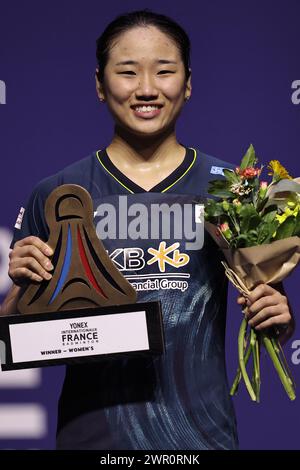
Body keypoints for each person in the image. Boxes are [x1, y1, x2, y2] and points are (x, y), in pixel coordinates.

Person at [1, 9, 294, 450]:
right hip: (90, 438)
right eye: (127, 72)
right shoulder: (58, 194)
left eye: (164, 71)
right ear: (100, 85)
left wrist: (276, 316)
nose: (146, 89)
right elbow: (11, 343)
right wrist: (22, 287)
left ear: (188, 83)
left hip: (203, 439)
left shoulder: (233, 189)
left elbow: (271, 316)